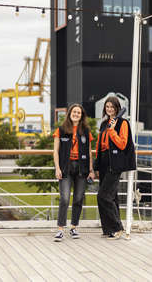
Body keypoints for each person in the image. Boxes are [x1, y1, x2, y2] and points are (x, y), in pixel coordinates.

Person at [94, 97, 136, 240]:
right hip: (104, 161)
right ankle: (109, 229)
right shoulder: (104, 124)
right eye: (107, 106)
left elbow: (122, 144)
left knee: (103, 195)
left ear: (117, 108)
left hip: (115, 162)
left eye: (112, 106)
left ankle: (117, 228)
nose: (109, 109)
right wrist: (97, 166)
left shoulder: (122, 123)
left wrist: (112, 131)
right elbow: (99, 146)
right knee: (112, 197)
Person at [53, 104, 96, 242]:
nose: (76, 114)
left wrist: (91, 170)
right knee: (64, 198)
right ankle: (60, 230)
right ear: (69, 113)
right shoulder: (60, 130)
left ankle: (73, 227)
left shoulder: (86, 131)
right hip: (65, 167)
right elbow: (55, 151)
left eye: (79, 112)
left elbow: (89, 152)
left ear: (81, 115)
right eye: (74, 112)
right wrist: (57, 168)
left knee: (78, 198)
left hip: (81, 168)